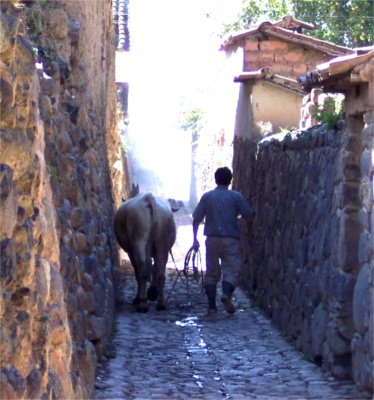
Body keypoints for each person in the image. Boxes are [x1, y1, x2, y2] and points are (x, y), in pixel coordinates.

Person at [192, 167, 254, 315]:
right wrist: (250, 232)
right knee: (232, 270)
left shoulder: (207, 197)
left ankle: (212, 307)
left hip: (212, 239)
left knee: (212, 272)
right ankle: (226, 294)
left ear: (215, 179)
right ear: (230, 180)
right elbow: (249, 217)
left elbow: (196, 219)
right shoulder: (236, 197)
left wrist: (195, 239)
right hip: (230, 239)